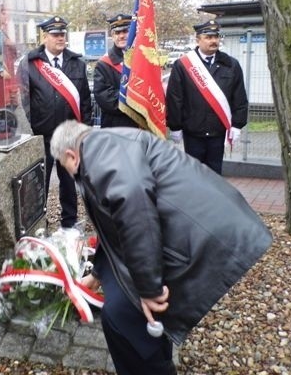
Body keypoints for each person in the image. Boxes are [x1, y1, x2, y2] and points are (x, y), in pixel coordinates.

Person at [50, 120, 272, 375]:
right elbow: (115, 222)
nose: (70, 175)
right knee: (122, 314)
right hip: (192, 230)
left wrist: (148, 289)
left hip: (203, 233)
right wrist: (97, 274)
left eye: (65, 168)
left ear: (71, 155)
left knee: (121, 316)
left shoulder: (98, 148)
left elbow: (135, 208)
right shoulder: (106, 144)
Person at [18, 16, 92, 228]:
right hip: (41, 135)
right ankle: (37, 225)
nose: (60, 38)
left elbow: (85, 101)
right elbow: (22, 102)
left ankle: (69, 223)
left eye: (62, 34)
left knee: (69, 183)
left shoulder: (76, 64)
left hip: (69, 136)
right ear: (45, 36)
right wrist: (27, 133)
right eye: (55, 34)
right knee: (36, 184)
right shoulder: (30, 64)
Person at [165, 20, 248, 174]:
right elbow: (175, 98)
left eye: (216, 37)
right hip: (193, 132)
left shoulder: (230, 64)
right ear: (198, 40)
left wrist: (237, 124)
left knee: (215, 174)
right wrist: (175, 126)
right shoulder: (183, 65)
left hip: (218, 131)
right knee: (194, 175)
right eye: (208, 37)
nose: (213, 41)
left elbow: (239, 97)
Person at [93, 14, 140, 128]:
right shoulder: (103, 64)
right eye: (117, 33)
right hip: (115, 127)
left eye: (125, 31)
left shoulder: (143, 58)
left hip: (141, 126)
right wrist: (136, 101)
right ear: (112, 36)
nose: (121, 36)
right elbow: (104, 98)